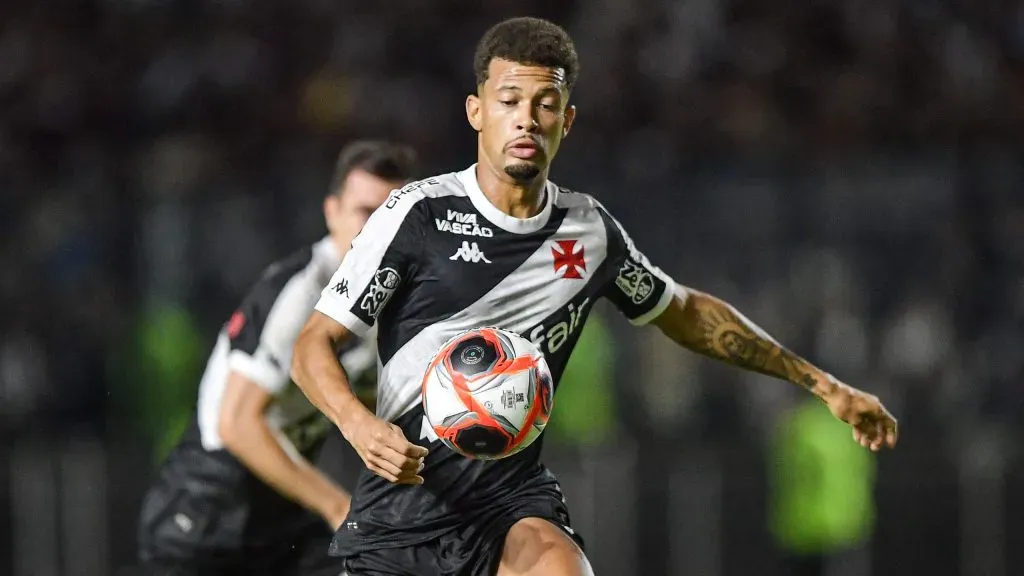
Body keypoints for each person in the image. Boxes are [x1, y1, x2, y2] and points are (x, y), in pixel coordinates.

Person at [290, 17, 899, 576]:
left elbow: (683, 312)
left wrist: (821, 383)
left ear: (567, 119)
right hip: (400, 513)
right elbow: (313, 344)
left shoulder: (589, 231)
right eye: (509, 102)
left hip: (508, 501)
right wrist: (357, 424)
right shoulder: (417, 213)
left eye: (545, 103)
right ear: (477, 112)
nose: (527, 118)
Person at [132, 140, 418, 576]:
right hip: (208, 502)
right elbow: (238, 423)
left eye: (391, 217)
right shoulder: (301, 292)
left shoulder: (389, 299)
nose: (377, 231)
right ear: (331, 212)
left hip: (278, 509)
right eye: (364, 212)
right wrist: (337, 505)